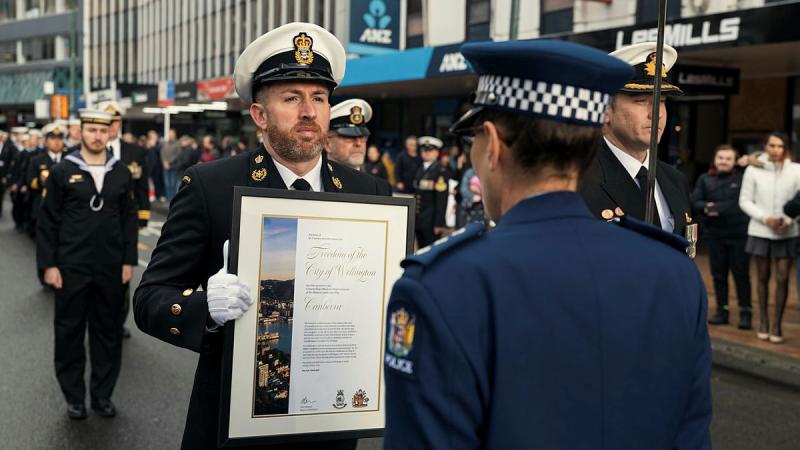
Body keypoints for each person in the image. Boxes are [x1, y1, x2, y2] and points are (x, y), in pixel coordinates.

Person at [383, 39, 711, 450]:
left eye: (474, 142)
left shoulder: (440, 287)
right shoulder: (675, 272)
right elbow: (691, 434)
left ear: (492, 143)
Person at [133, 22, 390, 450]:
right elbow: (149, 299)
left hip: (330, 422)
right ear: (259, 114)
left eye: (319, 98)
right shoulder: (210, 186)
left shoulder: (369, 193)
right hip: (234, 426)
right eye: (292, 98)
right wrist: (204, 308)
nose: (309, 112)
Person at [36, 109, 138, 420]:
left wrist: (128, 260)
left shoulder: (120, 172)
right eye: (91, 129)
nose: (96, 136)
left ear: (110, 134)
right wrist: (49, 265)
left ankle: (102, 396)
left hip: (110, 267)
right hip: (71, 267)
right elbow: (47, 221)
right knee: (69, 333)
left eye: (102, 131)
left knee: (106, 333)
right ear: (80, 132)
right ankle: (74, 398)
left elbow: (128, 220)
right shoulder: (63, 171)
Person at [579, 42, 692, 235]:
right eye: (640, 101)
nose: (655, 113)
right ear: (605, 110)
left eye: (661, 101)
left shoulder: (675, 180)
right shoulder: (577, 179)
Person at [739, 132, 800, 343]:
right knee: (762, 278)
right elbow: (745, 201)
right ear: (765, 147)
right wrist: (766, 219)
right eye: (771, 145)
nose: (775, 149)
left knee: (783, 278)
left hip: (788, 231)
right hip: (761, 229)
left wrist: (788, 221)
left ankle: (777, 324)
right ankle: (763, 320)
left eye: (779, 146)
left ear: (786, 148)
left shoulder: (796, 170)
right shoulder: (753, 170)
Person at [691, 144, 752, 328]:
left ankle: (745, 311)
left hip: (739, 234)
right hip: (715, 234)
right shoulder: (705, 178)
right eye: (721, 158)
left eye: (728, 158)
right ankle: (722, 310)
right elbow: (695, 200)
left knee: (741, 274)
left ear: (735, 161)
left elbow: (737, 204)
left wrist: (714, 207)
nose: (724, 162)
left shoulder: (743, 178)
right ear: (715, 160)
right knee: (719, 275)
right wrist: (707, 207)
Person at [97, 101, 151, 228]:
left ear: (120, 122)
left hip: (126, 213)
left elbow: (142, 185)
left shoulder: (136, 151)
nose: (111, 126)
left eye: (114, 121)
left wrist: (143, 213)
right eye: (107, 121)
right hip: (96, 213)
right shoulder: (90, 151)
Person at [26, 123, 67, 241]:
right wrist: (41, 181)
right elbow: (30, 182)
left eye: (60, 138)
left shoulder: (70, 159)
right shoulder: (37, 160)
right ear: (46, 141)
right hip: (43, 206)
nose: (57, 142)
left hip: (65, 208)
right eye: (53, 138)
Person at [413, 136, 449, 248]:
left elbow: (441, 200)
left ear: (437, 153)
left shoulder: (440, 171)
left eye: (430, 150)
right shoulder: (420, 168)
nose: (426, 153)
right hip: (419, 219)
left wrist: (438, 223)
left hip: (431, 221)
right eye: (424, 150)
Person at [326, 98, 370, 170]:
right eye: (349, 137)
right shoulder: (315, 180)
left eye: (362, 137)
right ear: (327, 144)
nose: (358, 143)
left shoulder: (373, 180)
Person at [0, 129, 19, 218]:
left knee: (1, 194)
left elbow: (10, 161)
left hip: (2, 173)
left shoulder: (9, 146)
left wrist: (5, 176)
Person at [160, 128, 181, 200]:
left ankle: (173, 199)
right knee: (167, 184)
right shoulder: (165, 143)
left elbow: (177, 155)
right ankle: (169, 199)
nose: (170, 136)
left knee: (173, 184)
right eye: (169, 134)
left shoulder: (178, 144)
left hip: (173, 167)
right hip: (165, 166)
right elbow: (162, 153)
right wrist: (164, 162)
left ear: (175, 135)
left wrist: (169, 162)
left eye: (172, 134)